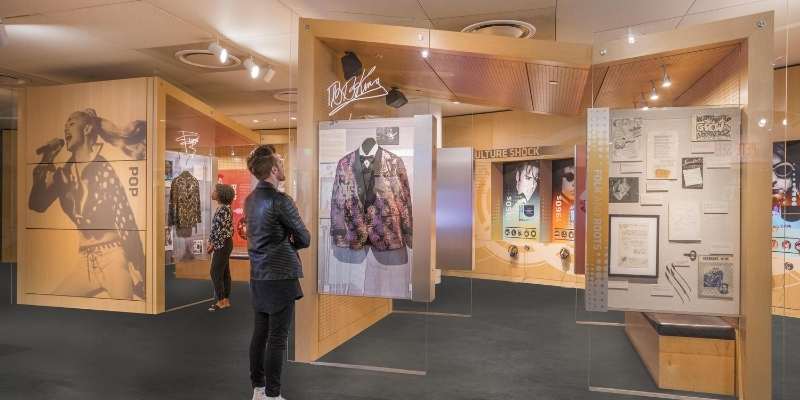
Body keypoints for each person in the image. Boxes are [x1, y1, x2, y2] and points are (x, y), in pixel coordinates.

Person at [29, 109, 146, 300]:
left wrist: (137, 264)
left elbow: (124, 215)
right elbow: (37, 204)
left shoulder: (102, 167)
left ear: (87, 129)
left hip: (113, 257)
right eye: (65, 124)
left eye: (72, 123)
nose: (66, 127)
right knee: (56, 302)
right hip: (85, 261)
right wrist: (47, 159)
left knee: (127, 310)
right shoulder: (63, 175)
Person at [245, 145, 310, 400]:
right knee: (277, 338)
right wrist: (287, 243)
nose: (283, 165)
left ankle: (259, 390)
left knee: (260, 334)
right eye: (280, 162)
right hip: (280, 276)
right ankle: (272, 395)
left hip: (258, 275)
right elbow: (305, 238)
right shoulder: (281, 201)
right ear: (273, 170)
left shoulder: (250, 200)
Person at [207, 183, 235, 311]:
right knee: (224, 272)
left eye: (215, 190)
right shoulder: (224, 208)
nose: (212, 192)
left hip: (222, 244)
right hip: (224, 243)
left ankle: (221, 300)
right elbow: (218, 229)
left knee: (215, 272)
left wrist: (212, 244)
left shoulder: (224, 209)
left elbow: (220, 230)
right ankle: (225, 300)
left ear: (220, 194)